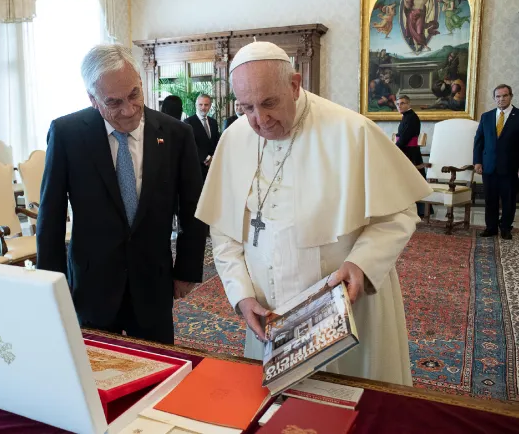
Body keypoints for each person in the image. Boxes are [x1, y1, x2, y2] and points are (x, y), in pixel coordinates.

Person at [195, 41, 432, 386]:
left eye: (269, 103)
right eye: (246, 107)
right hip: (268, 311)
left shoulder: (351, 131)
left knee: (351, 405)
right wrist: (241, 295)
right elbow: (225, 232)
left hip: (344, 305)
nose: (259, 120)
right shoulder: (234, 138)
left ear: (294, 84)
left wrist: (362, 264)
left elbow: (398, 214)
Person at [36, 44, 207, 344]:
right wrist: (51, 284)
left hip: (153, 279)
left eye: (133, 95)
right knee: (95, 373)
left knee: (158, 368)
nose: (128, 110)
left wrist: (187, 270)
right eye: (113, 102)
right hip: (92, 283)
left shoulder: (176, 133)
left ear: (141, 83)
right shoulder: (67, 134)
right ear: (93, 99)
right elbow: (49, 215)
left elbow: (192, 207)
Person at [473, 84, 519, 240]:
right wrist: (477, 162)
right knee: (490, 199)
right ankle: (491, 227)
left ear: (511, 96)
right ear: (494, 98)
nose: (501, 99)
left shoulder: (518, 115)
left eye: (504, 95)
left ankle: (505, 227)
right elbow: (479, 141)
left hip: (510, 166)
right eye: (498, 96)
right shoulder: (486, 116)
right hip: (489, 166)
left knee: (508, 200)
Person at [395, 95, 428, 217]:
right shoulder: (406, 116)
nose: (400, 106)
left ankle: (420, 211)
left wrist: (394, 148)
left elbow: (404, 138)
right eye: (398, 104)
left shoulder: (411, 117)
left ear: (409, 104)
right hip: (407, 151)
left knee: (415, 182)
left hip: (410, 153)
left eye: (402, 103)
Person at [184, 94, 220, 180]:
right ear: (196, 105)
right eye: (200, 104)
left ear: (210, 106)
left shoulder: (213, 122)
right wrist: (207, 158)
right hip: (197, 167)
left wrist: (214, 158)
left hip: (213, 166)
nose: (203, 107)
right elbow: (190, 144)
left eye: (206, 105)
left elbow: (217, 142)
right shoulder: (188, 122)